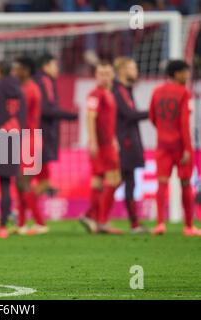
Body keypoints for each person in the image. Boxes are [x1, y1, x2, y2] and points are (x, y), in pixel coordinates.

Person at [149, 60, 201, 236]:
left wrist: (164, 132)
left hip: (162, 144)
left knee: (162, 183)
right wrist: (187, 148)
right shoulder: (184, 93)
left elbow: (152, 117)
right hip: (180, 145)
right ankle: (188, 226)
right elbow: (184, 123)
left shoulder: (156, 91)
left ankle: (160, 224)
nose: (187, 75)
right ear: (176, 73)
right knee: (186, 183)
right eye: (185, 72)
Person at [33, 53, 78, 231]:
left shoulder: (42, 81)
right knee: (39, 182)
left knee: (39, 181)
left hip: (38, 137)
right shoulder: (43, 81)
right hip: (39, 138)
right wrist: (70, 115)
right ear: (45, 65)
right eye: (54, 64)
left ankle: (25, 216)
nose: (57, 68)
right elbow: (46, 109)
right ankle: (24, 215)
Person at [80, 61, 123, 234]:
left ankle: (92, 216)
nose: (104, 76)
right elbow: (90, 117)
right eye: (101, 73)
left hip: (107, 142)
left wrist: (113, 138)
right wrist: (93, 141)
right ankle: (102, 220)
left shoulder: (108, 93)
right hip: (101, 145)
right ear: (96, 76)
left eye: (107, 73)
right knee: (114, 179)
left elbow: (108, 120)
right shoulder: (95, 94)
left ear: (113, 75)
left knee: (98, 181)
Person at [0, 60, 25, 238]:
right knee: (7, 184)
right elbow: (22, 115)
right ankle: (3, 227)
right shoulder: (19, 91)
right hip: (14, 137)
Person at [112, 57, 149, 233]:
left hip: (127, 139)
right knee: (121, 179)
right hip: (123, 141)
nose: (136, 71)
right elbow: (129, 114)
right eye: (133, 68)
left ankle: (95, 216)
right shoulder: (117, 90)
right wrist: (154, 111)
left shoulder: (124, 90)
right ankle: (95, 216)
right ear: (123, 70)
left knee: (125, 179)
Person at [12, 56, 46, 235]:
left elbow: (21, 116)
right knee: (19, 182)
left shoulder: (29, 89)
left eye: (18, 68)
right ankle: (22, 223)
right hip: (25, 137)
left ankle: (40, 223)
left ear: (26, 70)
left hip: (29, 139)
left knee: (24, 181)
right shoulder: (25, 87)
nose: (15, 72)